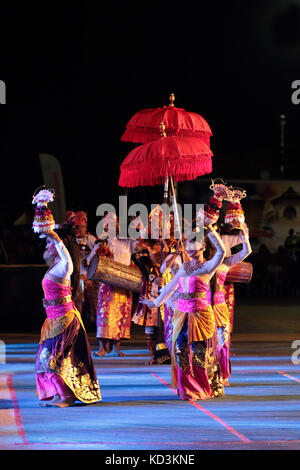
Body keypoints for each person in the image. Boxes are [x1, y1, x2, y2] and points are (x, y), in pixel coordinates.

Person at [141, 225, 226, 401]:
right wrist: (156, 302)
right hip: (182, 315)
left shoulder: (208, 267)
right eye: (188, 246)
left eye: (193, 245)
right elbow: (170, 287)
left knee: (198, 355)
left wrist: (210, 229)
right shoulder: (185, 267)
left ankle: (200, 389)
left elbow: (222, 252)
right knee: (180, 351)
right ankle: (187, 389)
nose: (189, 249)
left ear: (202, 247)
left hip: (201, 316)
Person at [35, 226, 101, 407]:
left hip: (65, 320)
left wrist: (54, 235)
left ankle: (67, 397)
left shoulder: (66, 265)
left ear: (59, 245)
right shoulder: (55, 266)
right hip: (53, 320)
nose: (46, 246)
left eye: (50, 243)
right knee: (46, 359)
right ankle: (59, 393)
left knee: (50, 359)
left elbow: (63, 251)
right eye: (48, 242)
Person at [210, 224, 252, 383]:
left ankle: (222, 373)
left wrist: (243, 232)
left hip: (220, 307)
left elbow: (246, 251)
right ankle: (206, 374)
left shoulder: (226, 262)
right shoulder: (200, 262)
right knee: (204, 343)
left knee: (223, 342)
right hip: (202, 307)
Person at [92, 213, 138, 357]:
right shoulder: (105, 241)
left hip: (124, 282)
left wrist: (138, 228)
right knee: (104, 314)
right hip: (107, 282)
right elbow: (90, 259)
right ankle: (102, 347)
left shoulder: (128, 240)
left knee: (121, 314)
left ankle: (117, 348)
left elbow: (140, 244)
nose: (114, 226)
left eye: (116, 223)